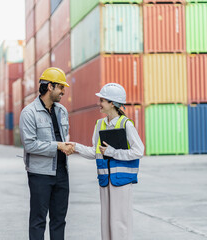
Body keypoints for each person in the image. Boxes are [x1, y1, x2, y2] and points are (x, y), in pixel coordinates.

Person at [68, 83, 144, 240]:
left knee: (120, 223)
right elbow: (95, 152)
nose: (99, 103)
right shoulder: (99, 124)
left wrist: (113, 152)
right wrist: (75, 147)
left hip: (122, 181)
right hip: (105, 180)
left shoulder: (126, 124)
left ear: (113, 103)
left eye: (102, 100)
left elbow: (139, 151)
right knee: (107, 223)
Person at [19, 67, 74, 240]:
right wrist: (58, 146)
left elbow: (65, 136)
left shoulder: (62, 111)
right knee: (38, 220)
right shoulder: (29, 113)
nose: (63, 92)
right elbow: (29, 144)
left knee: (59, 220)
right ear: (50, 86)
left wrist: (68, 146)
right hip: (39, 174)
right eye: (61, 87)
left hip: (62, 172)